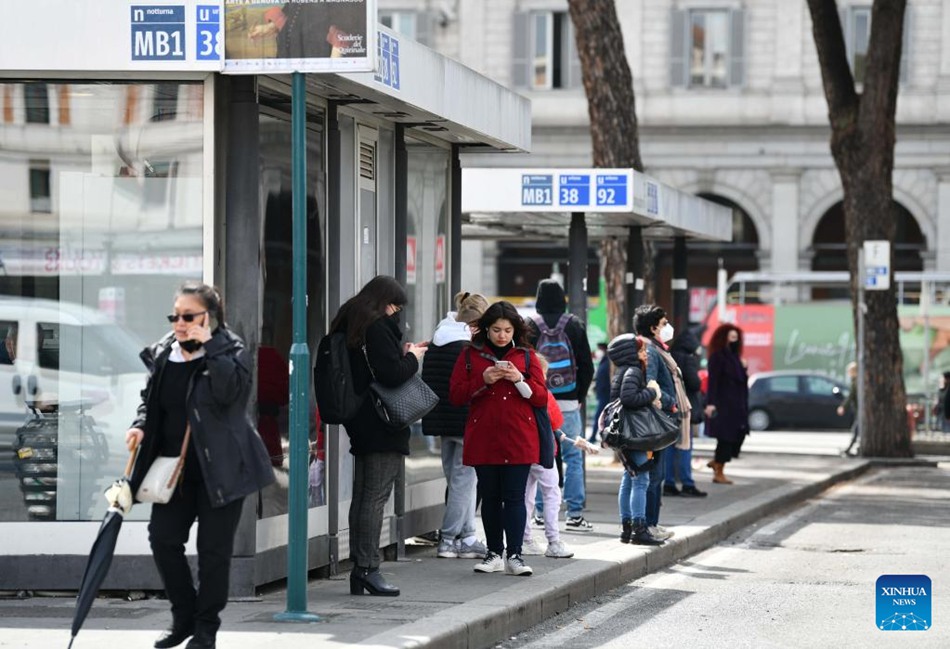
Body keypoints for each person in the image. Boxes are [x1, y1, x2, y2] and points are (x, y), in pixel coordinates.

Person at [125, 282, 275, 649]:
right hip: (174, 471)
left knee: (213, 554)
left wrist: (208, 346)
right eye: (175, 315)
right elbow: (151, 402)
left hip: (224, 470)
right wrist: (140, 426)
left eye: (188, 316)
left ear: (209, 317)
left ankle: (206, 630)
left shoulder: (231, 350)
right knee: (163, 540)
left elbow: (231, 396)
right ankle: (184, 618)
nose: (179, 323)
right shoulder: (164, 353)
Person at [328, 275, 429, 597]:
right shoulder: (376, 327)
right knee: (374, 497)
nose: (394, 311)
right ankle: (368, 568)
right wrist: (413, 356)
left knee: (363, 495)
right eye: (394, 305)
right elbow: (392, 373)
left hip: (361, 417)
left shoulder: (349, 324)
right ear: (382, 301)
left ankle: (362, 569)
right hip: (382, 420)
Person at [449, 301, 549, 577]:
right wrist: (483, 379)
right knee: (490, 496)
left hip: (519, 435)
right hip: (485, 435)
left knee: (515, 496)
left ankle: (514, 555)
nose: (502, 335)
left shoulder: (527, 356)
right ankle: (494, 552)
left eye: (507, 330)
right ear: (486, 329)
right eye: (496, 330)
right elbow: (456, 395)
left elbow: (541, 397)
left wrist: (519, 379)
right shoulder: (470, 355)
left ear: (515, 329)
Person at [421, 291, 490, 560]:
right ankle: (449, 539)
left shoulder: (439, 338)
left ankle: (468, 535)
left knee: (458, 479)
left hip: (442, 420)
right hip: (465, 420)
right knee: (464, 481)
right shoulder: (467, 347)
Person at [527, 279, 596, 532]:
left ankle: (540, 513)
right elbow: (587, 365)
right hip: (568, 401)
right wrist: (579, 396)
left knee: (542, 455)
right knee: (574, 457)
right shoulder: (574, 324)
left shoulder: (531, 325)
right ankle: (575, 514)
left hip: (540, 401)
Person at [633, 304, 688, 542]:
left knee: (655, 474)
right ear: (653, 327)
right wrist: (670, 403)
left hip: (659, 417)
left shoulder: (654, 348)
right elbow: (651, 385)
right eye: (664, 324)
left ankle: (651, 522)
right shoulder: (652, 351)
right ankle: (649, 523)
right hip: (658, 419)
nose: (668, 328)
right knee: (654, 475)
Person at [606, 333, 665, 545]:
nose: (645, 355)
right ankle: (639, 529)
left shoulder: (622, 371)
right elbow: (629, 398)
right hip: (633, 435)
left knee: (629, 477)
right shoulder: (632, 371)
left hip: (623, 434)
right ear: (631, 353)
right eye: (641, 350)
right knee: (641, 479)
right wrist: (650, 392)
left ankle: (627, 528)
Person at [521, 355, 574, 559]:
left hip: (524, 451)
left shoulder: (517, 391)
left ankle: (525, 539)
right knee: (552, 493)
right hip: (543, 450)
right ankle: (553, 541)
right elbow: (556, 419)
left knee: (525, 496)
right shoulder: (543, 394)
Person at [704, 324, 750, 484]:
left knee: (738, 435)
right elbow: (713, 382)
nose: (734, 341)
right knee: (725, 438)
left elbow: (741, 381)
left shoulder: (736, 357)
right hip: (723, 404)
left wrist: (745, 368)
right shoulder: (718, 357)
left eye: (736, 338)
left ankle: (717, 462)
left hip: (737, 405)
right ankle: (719, 470)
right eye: (731, 337)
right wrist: (711, 403)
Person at [666, 328, 708, 497]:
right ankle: (687, 482)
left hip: (671, 407)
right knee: (685, 445)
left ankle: (668, 482)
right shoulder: (688, 359)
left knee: (669, 447)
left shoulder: (669, 355)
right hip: (684, 408)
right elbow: (695, 383)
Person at [589, 342, 611, 443]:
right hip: (602, 394)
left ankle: (594, 437)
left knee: (600, 417)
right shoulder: (604, 361)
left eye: (600, 349)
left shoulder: (607, 363)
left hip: (606, 395)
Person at [838, 361, 859, 455]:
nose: (848, 373)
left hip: (861, 411)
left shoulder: (856, 382)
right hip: (859, 410)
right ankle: (852, 448)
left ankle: (850, 448)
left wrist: (843, 407)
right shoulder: (855, 381)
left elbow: (850, 396)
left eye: (849, 371)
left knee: (856, 430)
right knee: (857, 429)